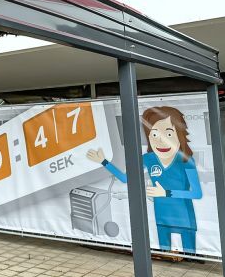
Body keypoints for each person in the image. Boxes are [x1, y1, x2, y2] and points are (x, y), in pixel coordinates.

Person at [86, 106, 201, 253]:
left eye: (168, 134)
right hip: (161, 216)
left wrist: (166, 193)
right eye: (154, 135)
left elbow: (196, 193)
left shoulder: (186, 160)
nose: (160, 141)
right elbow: (126, 178)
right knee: (163, 253)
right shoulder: (149, 159)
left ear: (179, 135)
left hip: (184, 218)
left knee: (190, 256)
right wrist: (104, 162)